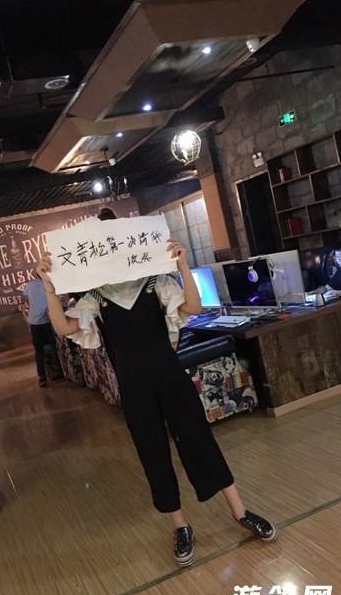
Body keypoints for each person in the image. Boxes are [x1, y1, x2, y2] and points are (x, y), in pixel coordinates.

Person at [37, 236, 278, 567]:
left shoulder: (154, 283)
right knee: (152, 452)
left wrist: (182, 265)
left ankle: (241, 511)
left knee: (199, 439)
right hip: (134, 387)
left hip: (170, 376)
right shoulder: (97, 297)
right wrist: (49, 288)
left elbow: (193, 307)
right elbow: (64, 328)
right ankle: (180, 526)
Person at [23, 274, 64, 387]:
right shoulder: (50, 285)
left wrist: (35, 305)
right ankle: (59, 373)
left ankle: (42, 377)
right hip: (46, 321)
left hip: (34, 322)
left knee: (39, 351)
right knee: (54, 347)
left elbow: (25, 298)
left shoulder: (30, 285)